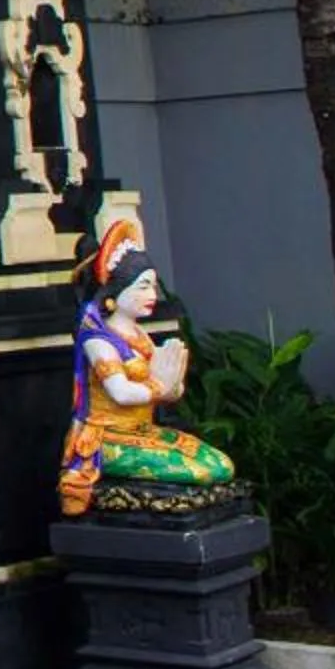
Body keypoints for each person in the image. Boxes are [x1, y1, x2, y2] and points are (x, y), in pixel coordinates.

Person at [59, 217, 235, 517]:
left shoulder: (140, 336)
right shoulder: (99, 339)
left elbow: (166, 389)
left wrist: (174, 380)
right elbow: (122, 393)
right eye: (142, 287)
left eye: (152, 286)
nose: (152, 296)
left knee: (219, 464)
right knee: (199, 471)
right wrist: (159, 386)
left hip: (142, 431)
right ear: (114, 294)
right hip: (106, 440)